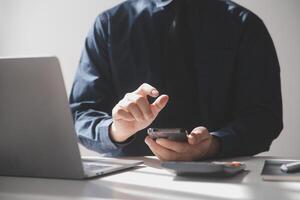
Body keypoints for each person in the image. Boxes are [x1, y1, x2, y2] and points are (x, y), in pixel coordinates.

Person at [69, 0, 283, 161]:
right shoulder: (108, 25)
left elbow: (264, 117)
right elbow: (81, 113)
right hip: (126, 182)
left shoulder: (245, 26)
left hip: (224, 176)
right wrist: (117, 131)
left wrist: (214, 144)